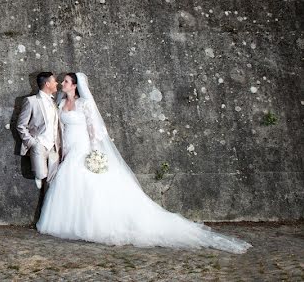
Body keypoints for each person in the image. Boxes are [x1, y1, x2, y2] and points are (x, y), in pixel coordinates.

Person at [36, 72, 251, 254]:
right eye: (61, 81)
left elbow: (94, 131)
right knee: (71, 185)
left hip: (84, 148)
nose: (61, 84)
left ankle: (94, 225)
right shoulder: (62, 103)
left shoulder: (84, 103)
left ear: (74, 85)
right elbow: (60, 130)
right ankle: (74, 224)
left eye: (65, 81)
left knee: (91, 187)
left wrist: (94, 152)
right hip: (70, 150)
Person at [17, 72, 61, 190]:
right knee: (41, 174)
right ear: (47, 84)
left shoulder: (54, 102)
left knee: (53, 181)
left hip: (53, 146)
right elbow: (21, 125)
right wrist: (32, 143)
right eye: (54, 81)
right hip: (39, 144)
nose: (56, 83)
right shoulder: (31, 101)